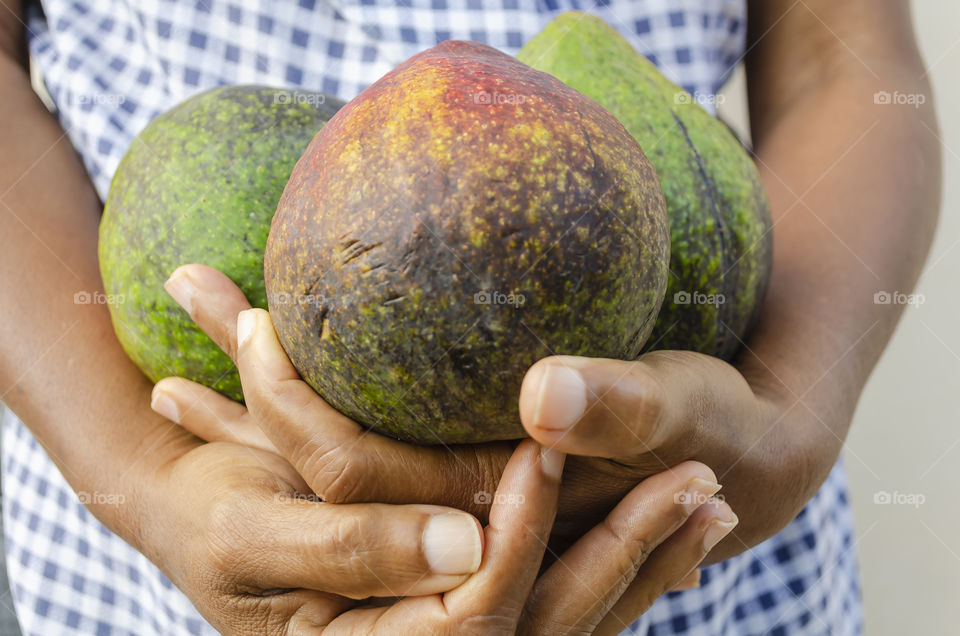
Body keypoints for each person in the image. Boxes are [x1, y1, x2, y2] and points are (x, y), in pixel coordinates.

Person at [0, 0, 939, 634]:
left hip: (694, 517)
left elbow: (840, 60)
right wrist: (146, 479)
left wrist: (789, 412)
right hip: (165, 505)